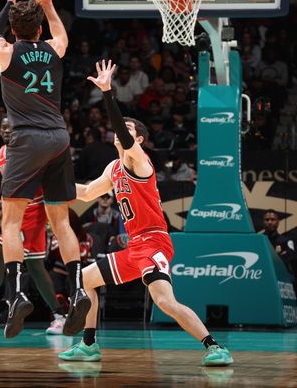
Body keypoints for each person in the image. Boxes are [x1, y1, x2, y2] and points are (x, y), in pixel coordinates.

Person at [58, 60, 233, 366]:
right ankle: (88, 345)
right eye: (119, 127)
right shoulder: (113, 168)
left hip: (154, 242)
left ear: (138, 139)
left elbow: (124, 137)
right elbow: (85, 193)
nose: (119, 132)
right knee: (86, 280)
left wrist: (108, 92)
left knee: (165, 301)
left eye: (126, 129)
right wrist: (53, 186)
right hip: (134, 245)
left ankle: (214, 346)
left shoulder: (140, 160)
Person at [0, 0, 88, 337]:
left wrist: (8, 2)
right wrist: (47, 3)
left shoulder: (5, 51)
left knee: (11, 223)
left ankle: (15, 298)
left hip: (27, 139)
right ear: (40, 27)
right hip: (59, 137)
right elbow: (62, 35)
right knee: (60, 222)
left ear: (14, 30)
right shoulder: (53, 47)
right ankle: (77, 292)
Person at [0, 119, 68, 334]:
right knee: (35, 267)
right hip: (14, 211)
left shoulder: (32, 152)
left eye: (11, 127)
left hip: (32, 210)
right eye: (2, 127)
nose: (6, 130)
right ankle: (59, 316)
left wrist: (53, 214)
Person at [261, 210, 295, 274]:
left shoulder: (287, 241)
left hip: (282, 277)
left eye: (273, 219)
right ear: (263, 222)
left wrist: (267, 257)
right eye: (267, 220)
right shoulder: (258, 241)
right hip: (263, 275)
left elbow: (288, 258)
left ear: (278, 222)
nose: (270, 222)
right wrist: (277, 255)